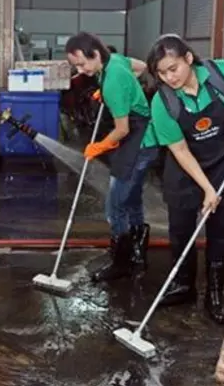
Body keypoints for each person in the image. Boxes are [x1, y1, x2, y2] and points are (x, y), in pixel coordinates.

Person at [146, 34, 224, 324]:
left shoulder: (221, 73)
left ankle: (214, 293)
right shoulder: (163, 101)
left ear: (188, 59)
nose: (168, 77)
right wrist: (207, 189)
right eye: (161, 73)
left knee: (221, 229)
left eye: (172, 68)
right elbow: (180, 149)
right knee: (181, 229)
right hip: (186, 169)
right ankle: (184, 286)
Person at [65, 32, 158, 283]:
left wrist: (100, 146)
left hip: (136, 138)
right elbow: (142, 67)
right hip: (146, 137)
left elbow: (122, 129)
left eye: (83, 64)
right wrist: (120, 91)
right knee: (132, 197)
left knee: (115, 205)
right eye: (76, 66)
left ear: (95, 54)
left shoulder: (112, 80)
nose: (81, 70)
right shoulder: (115, 60)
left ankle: (121, 263)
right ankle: (137, 255)